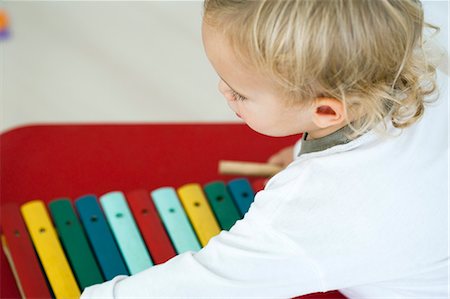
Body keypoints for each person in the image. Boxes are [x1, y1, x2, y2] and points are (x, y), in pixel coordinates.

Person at [81, 0, 448, 298]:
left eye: (239, 92)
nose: (222, 91)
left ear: (325, 110)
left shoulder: (311, 214)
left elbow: (205, 283)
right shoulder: (405, 46)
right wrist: (297, 154)